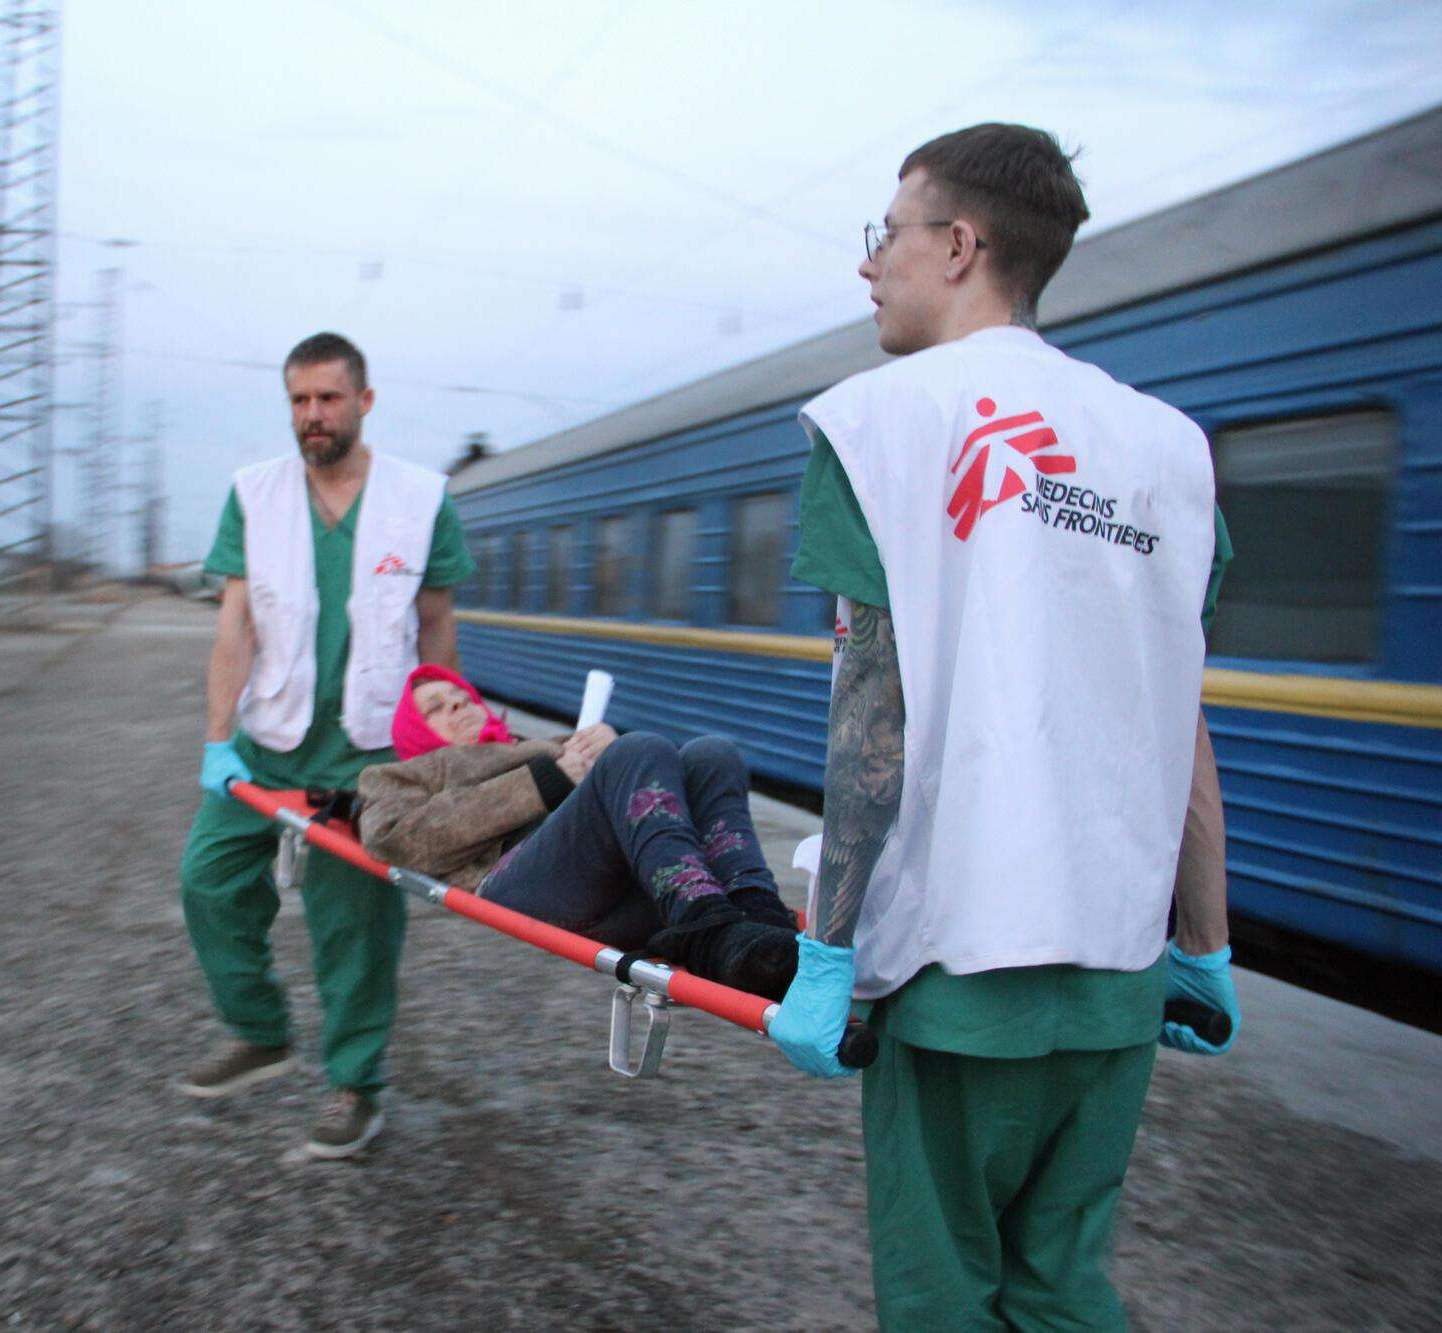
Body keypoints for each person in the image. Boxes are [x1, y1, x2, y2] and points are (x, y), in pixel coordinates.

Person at [767, 124, 1243, 1329]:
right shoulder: (1167, 450)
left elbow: (866, 717)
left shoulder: (879, 426)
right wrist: (1204, 941)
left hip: (955, 969)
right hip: (1118, 977)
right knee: (1062, 1290)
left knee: (941, 1297)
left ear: (959, 243)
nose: (869, 266)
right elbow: (1175, 715)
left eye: (886, 235)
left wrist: (826, 958)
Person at [177, 332, 474, 1160]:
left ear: (364, 401)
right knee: (208, 881)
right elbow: (234, 624)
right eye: (300, 401)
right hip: (269, 743)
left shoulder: (420, 499)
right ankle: (260, 1030)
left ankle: (354, 1082)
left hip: (368, 754)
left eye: (329, 398)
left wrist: (441, 749)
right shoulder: (255, 494)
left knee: (355, 926)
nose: (313, 415)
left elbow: (437, 626)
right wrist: (215, 740)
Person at [356, 665, 801, 997]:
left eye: (461, 695)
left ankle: (756, 918)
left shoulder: (543, 747)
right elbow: (393, 835)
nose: (456, 704)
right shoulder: (401, 774)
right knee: (639, 747)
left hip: (625, 889)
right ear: (412, 732)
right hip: (512, 885)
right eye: (435, 707)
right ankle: (708, 932)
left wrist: (596, 754)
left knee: (711, 753)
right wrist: (552, 779)